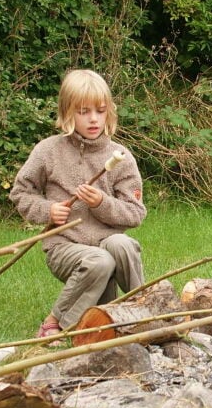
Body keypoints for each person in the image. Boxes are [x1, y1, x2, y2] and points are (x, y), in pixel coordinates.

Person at [10, 68, 146, 338]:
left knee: (122, 245)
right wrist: (47, 210)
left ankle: (142, 311)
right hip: (64, 246)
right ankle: (57, 323)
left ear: (109, 112)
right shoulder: (48, 151)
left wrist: (102, 203)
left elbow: (135, 213)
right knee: (100, 261)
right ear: (67, 112)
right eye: (84, 111)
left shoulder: (120, 156)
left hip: (106, 244)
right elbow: (20, 193)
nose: (93, 119)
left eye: (100, 110)